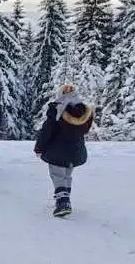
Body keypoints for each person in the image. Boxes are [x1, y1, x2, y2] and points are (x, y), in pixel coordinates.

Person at [34, 85, 93, 218]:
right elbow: (85, 130)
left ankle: (63, 202)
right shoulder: (83, 110)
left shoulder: (58, 109)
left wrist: (39, 147)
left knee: (57, 175)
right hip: (75, 151)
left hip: (58, 150)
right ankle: (65, 199)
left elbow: (47, 130)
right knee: (66, 175)